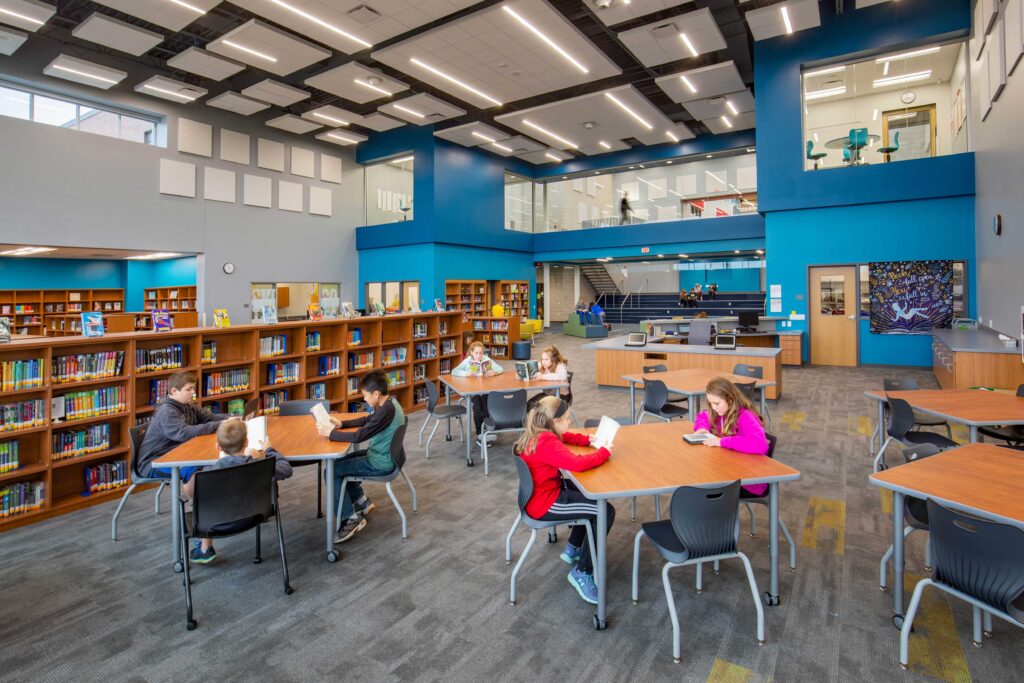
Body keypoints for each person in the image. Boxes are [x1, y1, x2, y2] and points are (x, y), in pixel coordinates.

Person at [514, 396, 613, 604]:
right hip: (546, 503)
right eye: (566, 419)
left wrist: (588, 440)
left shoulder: (539, 432)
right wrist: (604, 452)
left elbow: (566, 437)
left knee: (586, 495)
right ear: (554, 421)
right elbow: (576, 464)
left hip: (539, 494)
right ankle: (582, 571)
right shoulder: (547, 441)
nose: (570, 422)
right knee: (605, 510)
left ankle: (574, 547)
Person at [181, 420, 293, 564]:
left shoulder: (207, 474)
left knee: (203, 501)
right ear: (247, 442)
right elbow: (286, 469)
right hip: (256, 515)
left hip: (215, 523)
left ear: (218, 446)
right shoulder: (258, 466)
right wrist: (269, 450)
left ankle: (204, 549)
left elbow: (193, 492)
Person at [317, 370, 405, 543]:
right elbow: (367, 421)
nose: (364, 399)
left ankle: (350, 518)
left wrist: (331, 434)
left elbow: (359, 436)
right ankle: (362, 502)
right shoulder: (390, 403)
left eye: (365, 395)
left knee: (331, 472)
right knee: (338, 463)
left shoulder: (386, 410)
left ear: (376, 394)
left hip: (380, 462)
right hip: (382, 454)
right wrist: (342, 423)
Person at [137, 371, 233, 480]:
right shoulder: (167, 411)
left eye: (193, 388)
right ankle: (198, 496)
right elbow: (183, 433)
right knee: (193, 470)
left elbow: (208, 417)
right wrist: (219, 424)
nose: (193, 392)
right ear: (174, 391)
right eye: (189, 389)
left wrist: (230, 419)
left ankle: (205, 493)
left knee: (208, 460)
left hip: (176, 452)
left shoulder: (186, 405)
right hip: (155, 461)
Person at [693, 377, 770, 496]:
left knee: (701, 489)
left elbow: (760, 445)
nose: (713, 407)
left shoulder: (745, 416)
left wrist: (723, 442)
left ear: (729, 399)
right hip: (730, 471)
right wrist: (702, 428)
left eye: (716, 403)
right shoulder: (722, 411)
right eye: (710, 403)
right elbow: (704, 415)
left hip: (749, 480)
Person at [451, 341, 504, 446]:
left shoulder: (486, 360)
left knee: (487, 406)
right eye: (476, 353)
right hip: (472, 391)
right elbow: (454, 371)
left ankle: (487, 431)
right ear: (471, 352)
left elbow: (500, 369)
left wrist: (494, 372)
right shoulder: (467, 361)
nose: (479, 355)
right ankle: (479, 433)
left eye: (481, 353)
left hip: (484, 389)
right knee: (477, 407)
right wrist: (466, 373)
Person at [527, 346, 571, 410]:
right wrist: (527, 370)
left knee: (537, 406)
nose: (543, 362)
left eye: (546, 359)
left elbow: (562, 376)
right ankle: (533, 419)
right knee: (530, 403)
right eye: (542, 359)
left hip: (561, 397)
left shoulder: (560, 365)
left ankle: (542, 419)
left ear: (553, 360)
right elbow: (536, 367)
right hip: (549, 395)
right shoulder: (545, 365)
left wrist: (543, 376)